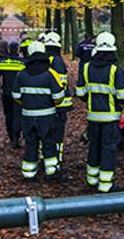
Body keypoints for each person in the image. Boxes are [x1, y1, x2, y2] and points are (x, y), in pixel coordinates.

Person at [76, 31, 124, 192]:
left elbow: (80, 92)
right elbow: (123, 97)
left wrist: (91, 101)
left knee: (94, 147)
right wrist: (119, 105)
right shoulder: (116, 71)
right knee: (108, 149)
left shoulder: (86, 68)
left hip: (93, 117)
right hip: (110, 119)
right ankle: (105, 184)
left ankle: (92, 179)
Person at [12, 41, 66, 180]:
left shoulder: (21, 74)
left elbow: (16, 96)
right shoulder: (51, 74)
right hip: (47, 116)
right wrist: (51, 105)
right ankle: (52, 173)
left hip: (27, 116)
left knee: (31, 144)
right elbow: (59, 96)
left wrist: (27, 104)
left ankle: (28, 174)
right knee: (49, 143)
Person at [41, 31, 72, 163]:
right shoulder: (57, 61)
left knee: (45, 133)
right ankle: (56, 159)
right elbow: (61, 84)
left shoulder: (42, 59)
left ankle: (44, 157)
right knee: (57, 134)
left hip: (44, 103)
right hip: (59, 104)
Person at [0, 44, 27, 147]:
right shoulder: (23, 62)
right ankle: (16, 137)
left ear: (8, 50)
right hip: (19, 94)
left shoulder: (2, 62)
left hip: (6, 93)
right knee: (18, 115)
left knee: (8, 115)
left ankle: (11, 136)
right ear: (18, 50)